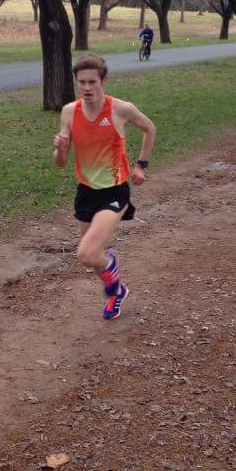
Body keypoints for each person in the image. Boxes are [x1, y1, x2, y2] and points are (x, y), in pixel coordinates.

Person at [53, 53, 156, 320]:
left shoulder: (120, 109)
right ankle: (118, 290)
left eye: (92, 82)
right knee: (93, 257)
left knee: (87, 254)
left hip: (115, 190)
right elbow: (61, 163)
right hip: (85, 191)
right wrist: (60, 150)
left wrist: (141, 165)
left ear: (104, 80)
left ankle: (113, 288)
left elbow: (150, 129)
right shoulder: (69, 112)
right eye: (81, 82)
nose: (86, 88)